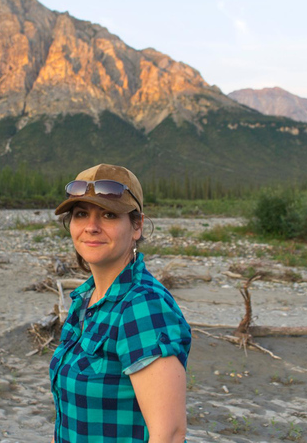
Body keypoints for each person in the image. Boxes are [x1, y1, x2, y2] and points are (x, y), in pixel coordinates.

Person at [49, 164, 192, 443]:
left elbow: (170, 435)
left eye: (109, 214)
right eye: (81, 214)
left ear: (137, 225)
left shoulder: (142, 306)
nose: (91, 227)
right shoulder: (85, 299)